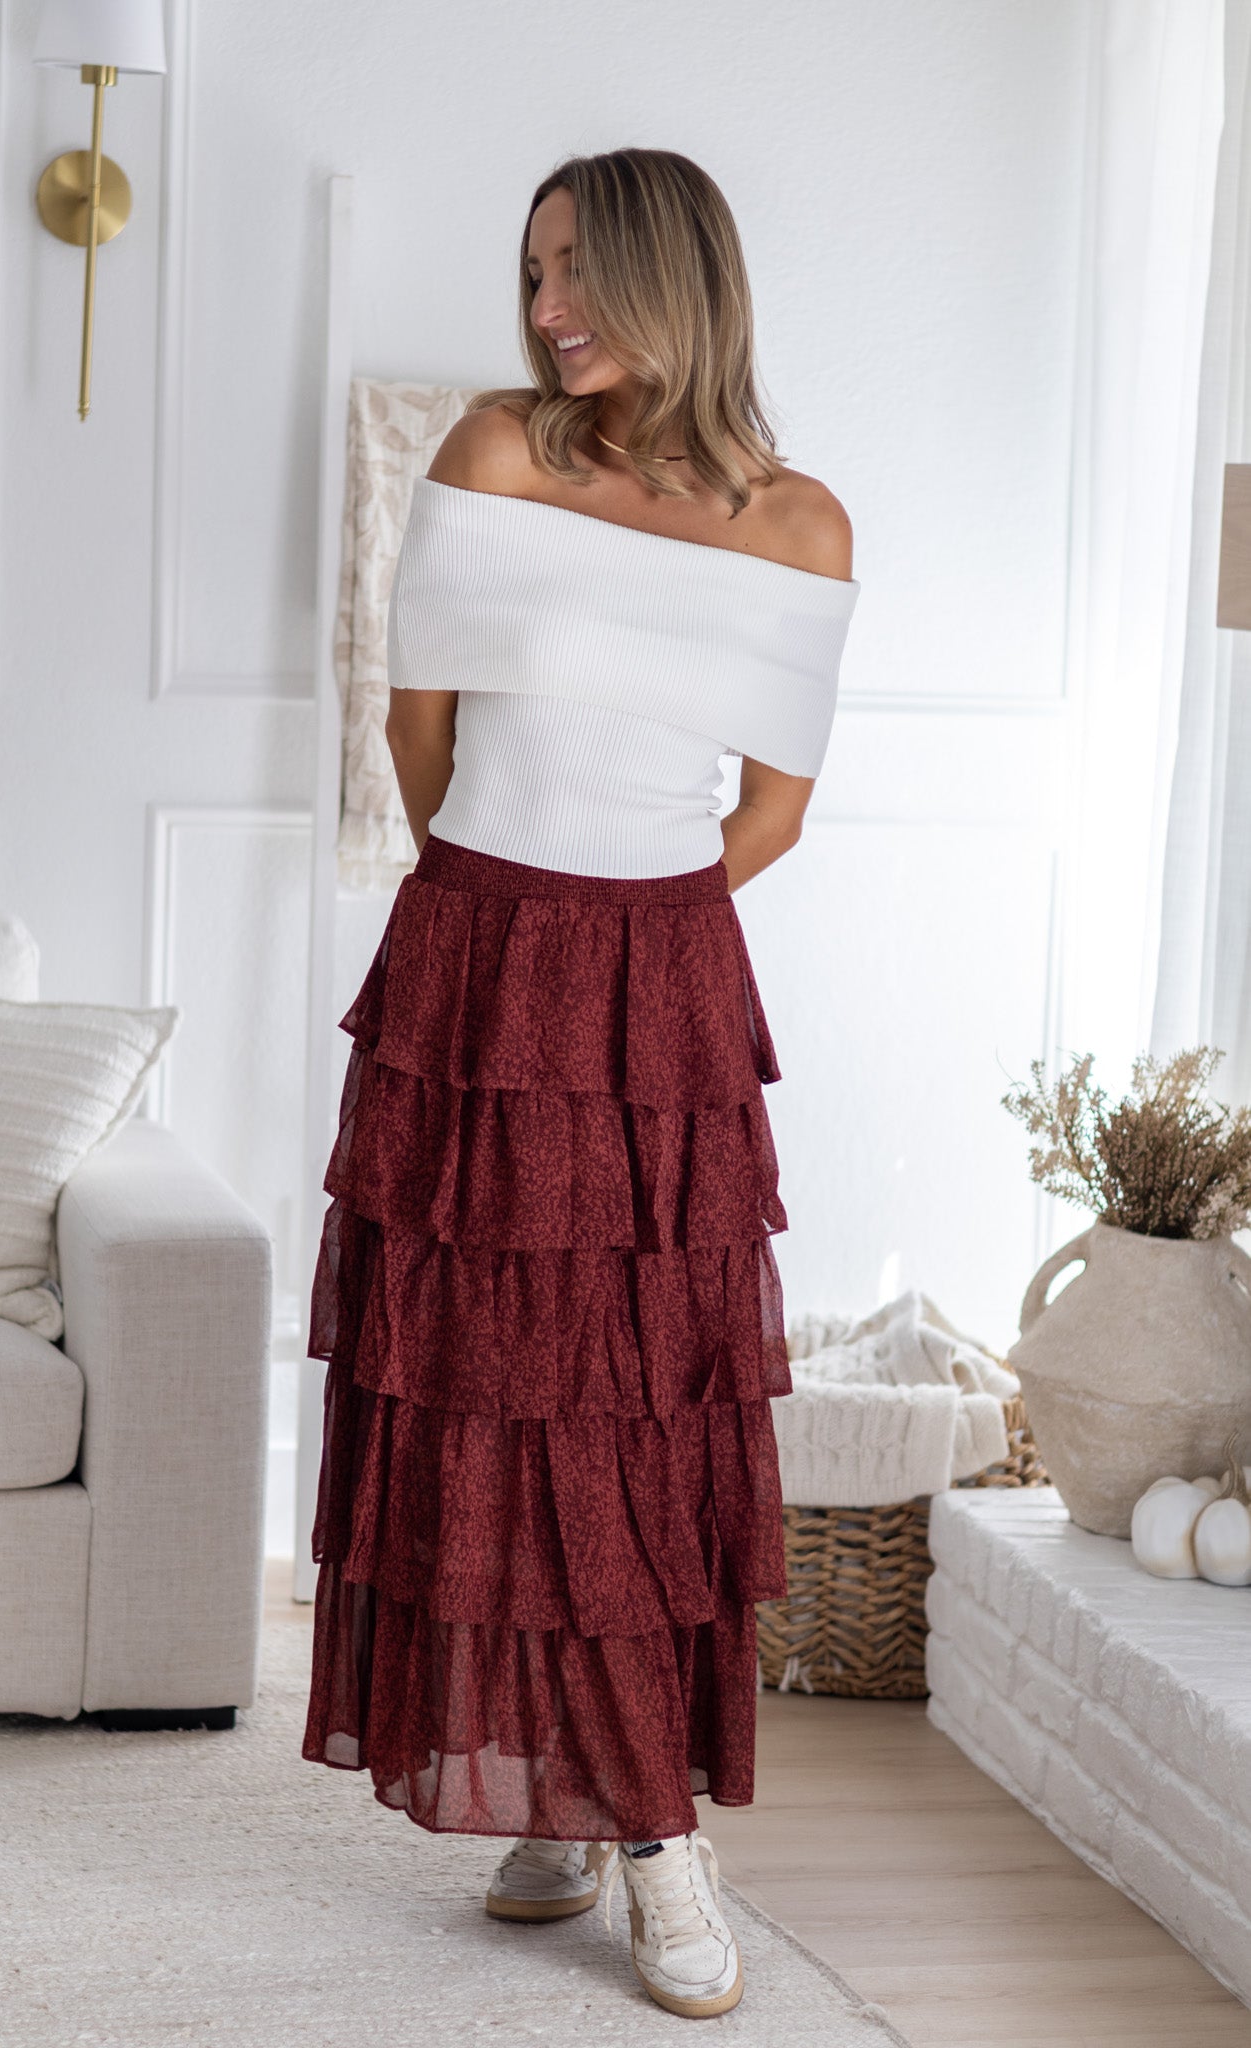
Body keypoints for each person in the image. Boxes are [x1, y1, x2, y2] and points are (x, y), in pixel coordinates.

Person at [303, 146, 859, 2021]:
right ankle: (566, 1781)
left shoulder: (799, 526)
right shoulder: (497, 451)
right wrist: (507, 926)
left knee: (633, 1404)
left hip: (664, 983)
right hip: (478, 946)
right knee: (488, 1389)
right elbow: (419, 722)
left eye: (578, 270)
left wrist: (633, 948)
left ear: (674, 274)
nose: (545, 307)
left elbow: (767, 814)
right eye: (530, 267)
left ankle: (652, 1830)